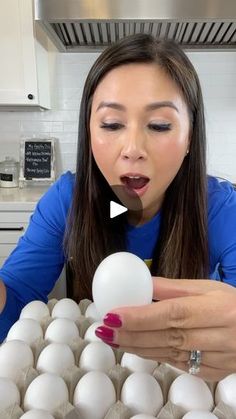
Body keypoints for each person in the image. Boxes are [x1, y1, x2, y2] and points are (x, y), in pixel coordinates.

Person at [0, 34, 236, 382]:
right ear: (89, 132)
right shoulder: (67, 201)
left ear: (189, 136)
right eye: (111, 125)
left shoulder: (220, 208)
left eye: (159, 125)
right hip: (97, 368)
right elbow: (17, 303)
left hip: (185, 376)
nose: (132, 148)